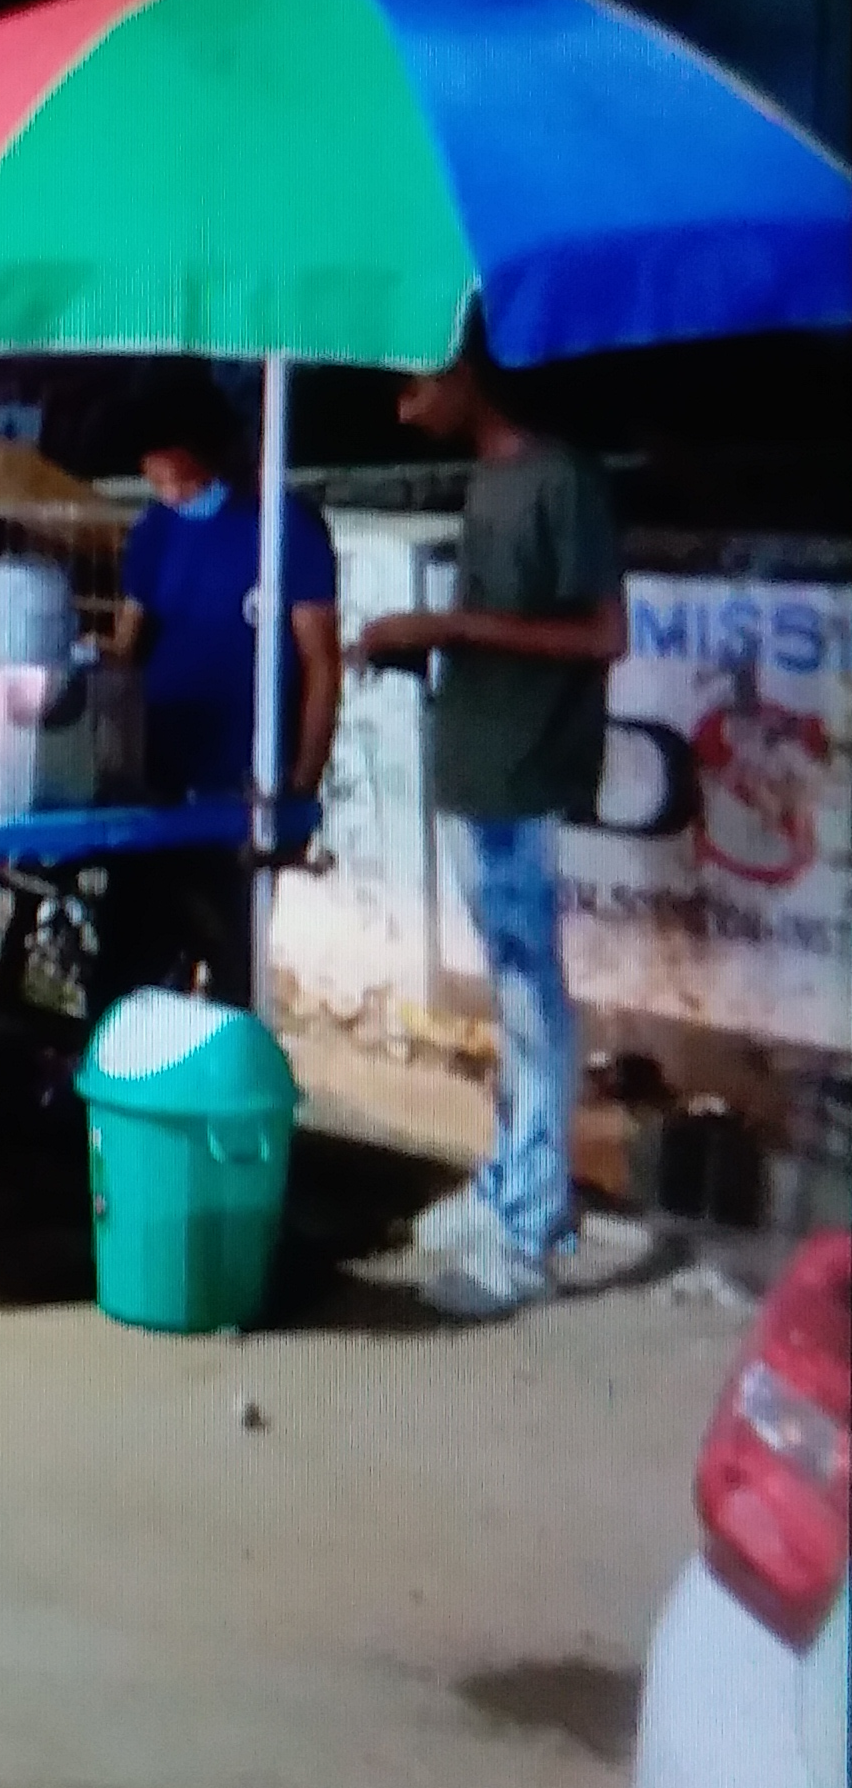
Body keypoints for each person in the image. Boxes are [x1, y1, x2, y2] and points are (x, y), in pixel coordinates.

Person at [358, 340, 635, 1319]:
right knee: (512, 998)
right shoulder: (493, 478)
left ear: (465, 372)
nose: (402, 409)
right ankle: (510, 1182)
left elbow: (603, 636)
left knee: (532, 998)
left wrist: (444, 631)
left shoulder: (560, 478)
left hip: (523, 773)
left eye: (412, 383)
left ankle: (530, 1226)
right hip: (479, 764)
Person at [110, 368, 344, 1006]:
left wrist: (300, 788)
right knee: (129, 972)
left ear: (216, 456)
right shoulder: (155, 531)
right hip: (156, 790)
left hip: (241, 794)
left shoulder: (285, 528)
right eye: (157, 480)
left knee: (232, 976)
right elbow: (125, 654)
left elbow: (321, 665)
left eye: (182, 479)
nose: (172, 492)